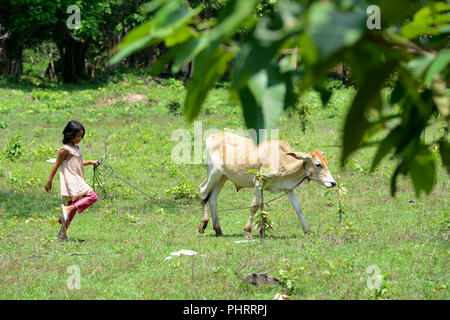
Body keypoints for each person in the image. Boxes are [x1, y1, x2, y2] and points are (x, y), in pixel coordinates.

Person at [45, 120, 99, 240]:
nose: (79, 138)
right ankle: (67, 209)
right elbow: (57, 164)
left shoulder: (76, 147)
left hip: (77, 176)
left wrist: (90, 162)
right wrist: (49, 181)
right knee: (92, 196)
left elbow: (77, 163)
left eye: (81, 136)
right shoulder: (64, 149)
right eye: (77, 136)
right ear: (70, 134)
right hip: (71, 179)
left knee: (72, 209)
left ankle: (62, 234)